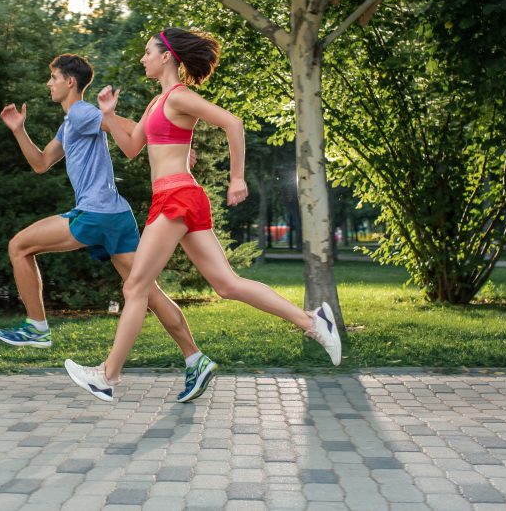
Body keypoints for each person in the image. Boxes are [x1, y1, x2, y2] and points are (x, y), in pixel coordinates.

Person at [64, 29, 342, 402]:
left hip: (177, 197)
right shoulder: (156, 104)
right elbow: (131, 149)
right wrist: (109, 116)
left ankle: (107, 376)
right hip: (177, 198)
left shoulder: (180, 97)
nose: (143, 59)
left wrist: (237, 177)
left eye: (148, 52)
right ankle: (312, 322)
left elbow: (233, 123)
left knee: (134, 287)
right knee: (226, 284)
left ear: (166, 57)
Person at [0, 54, 218, 402]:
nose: (49, 83)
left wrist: (175, 148)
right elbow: (41, 163)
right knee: (146, 291)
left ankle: (37, 328)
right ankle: (195, 358)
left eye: (53, 77)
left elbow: (134, 129)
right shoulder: (70, 123)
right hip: (116, 215)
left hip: (96, 214)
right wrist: (19, 130)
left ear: (70, 82)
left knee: (19, 246)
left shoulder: (83, 113)